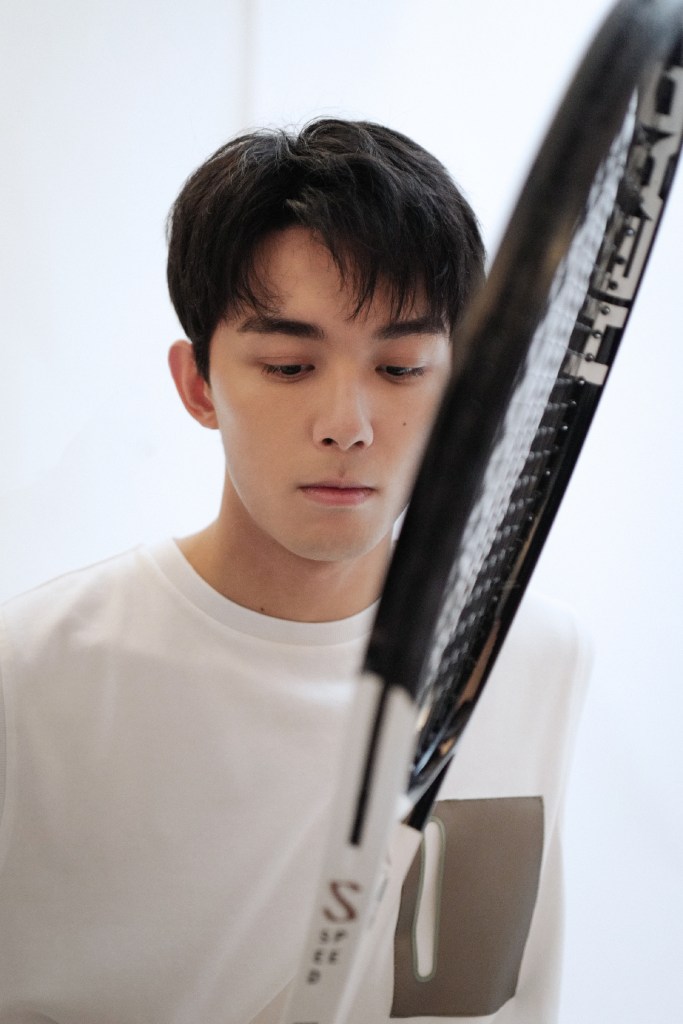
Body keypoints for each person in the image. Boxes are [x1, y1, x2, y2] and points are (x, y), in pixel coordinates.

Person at [0, 119, 591, 1024]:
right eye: (288, 365)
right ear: (198, 384)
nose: (346, 423)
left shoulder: (533, 655)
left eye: (400, 367)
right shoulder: (34, 676)